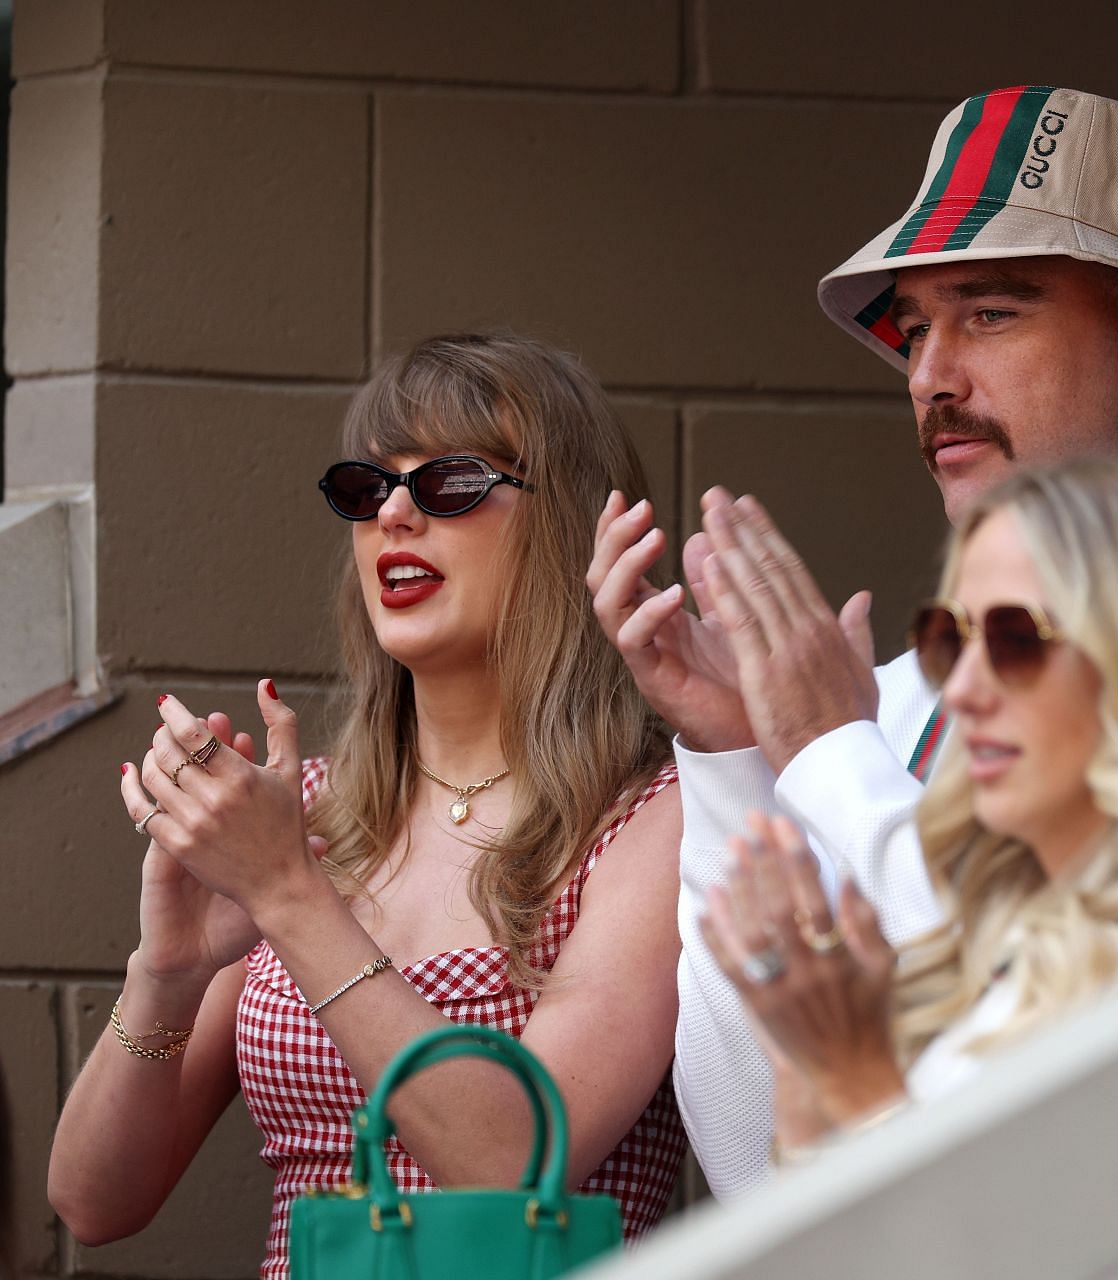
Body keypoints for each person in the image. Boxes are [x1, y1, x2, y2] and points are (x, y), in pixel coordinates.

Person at [589, 86, 1118, 1196]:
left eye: (989, 314)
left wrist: (821, 753)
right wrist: (731, 759)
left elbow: (1094, 1034)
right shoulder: (899, 694)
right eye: (914, 330)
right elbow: (754, 1162)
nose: (928, 375)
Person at [50, 334, 687, 1278]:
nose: (394, 512)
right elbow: (93, 1204)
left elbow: (513, 1162)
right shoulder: (306, 814)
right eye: (367, 486)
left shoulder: (652, 816)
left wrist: (290, 896)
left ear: (572, 528)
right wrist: (168, 973)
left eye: (451, 482)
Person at [698, 458, 1118, 1153]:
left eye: (1016, 640)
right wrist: (806, 1086)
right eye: (949, 641)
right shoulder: (1016, 958)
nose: (961, 690)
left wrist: (858, 1085)